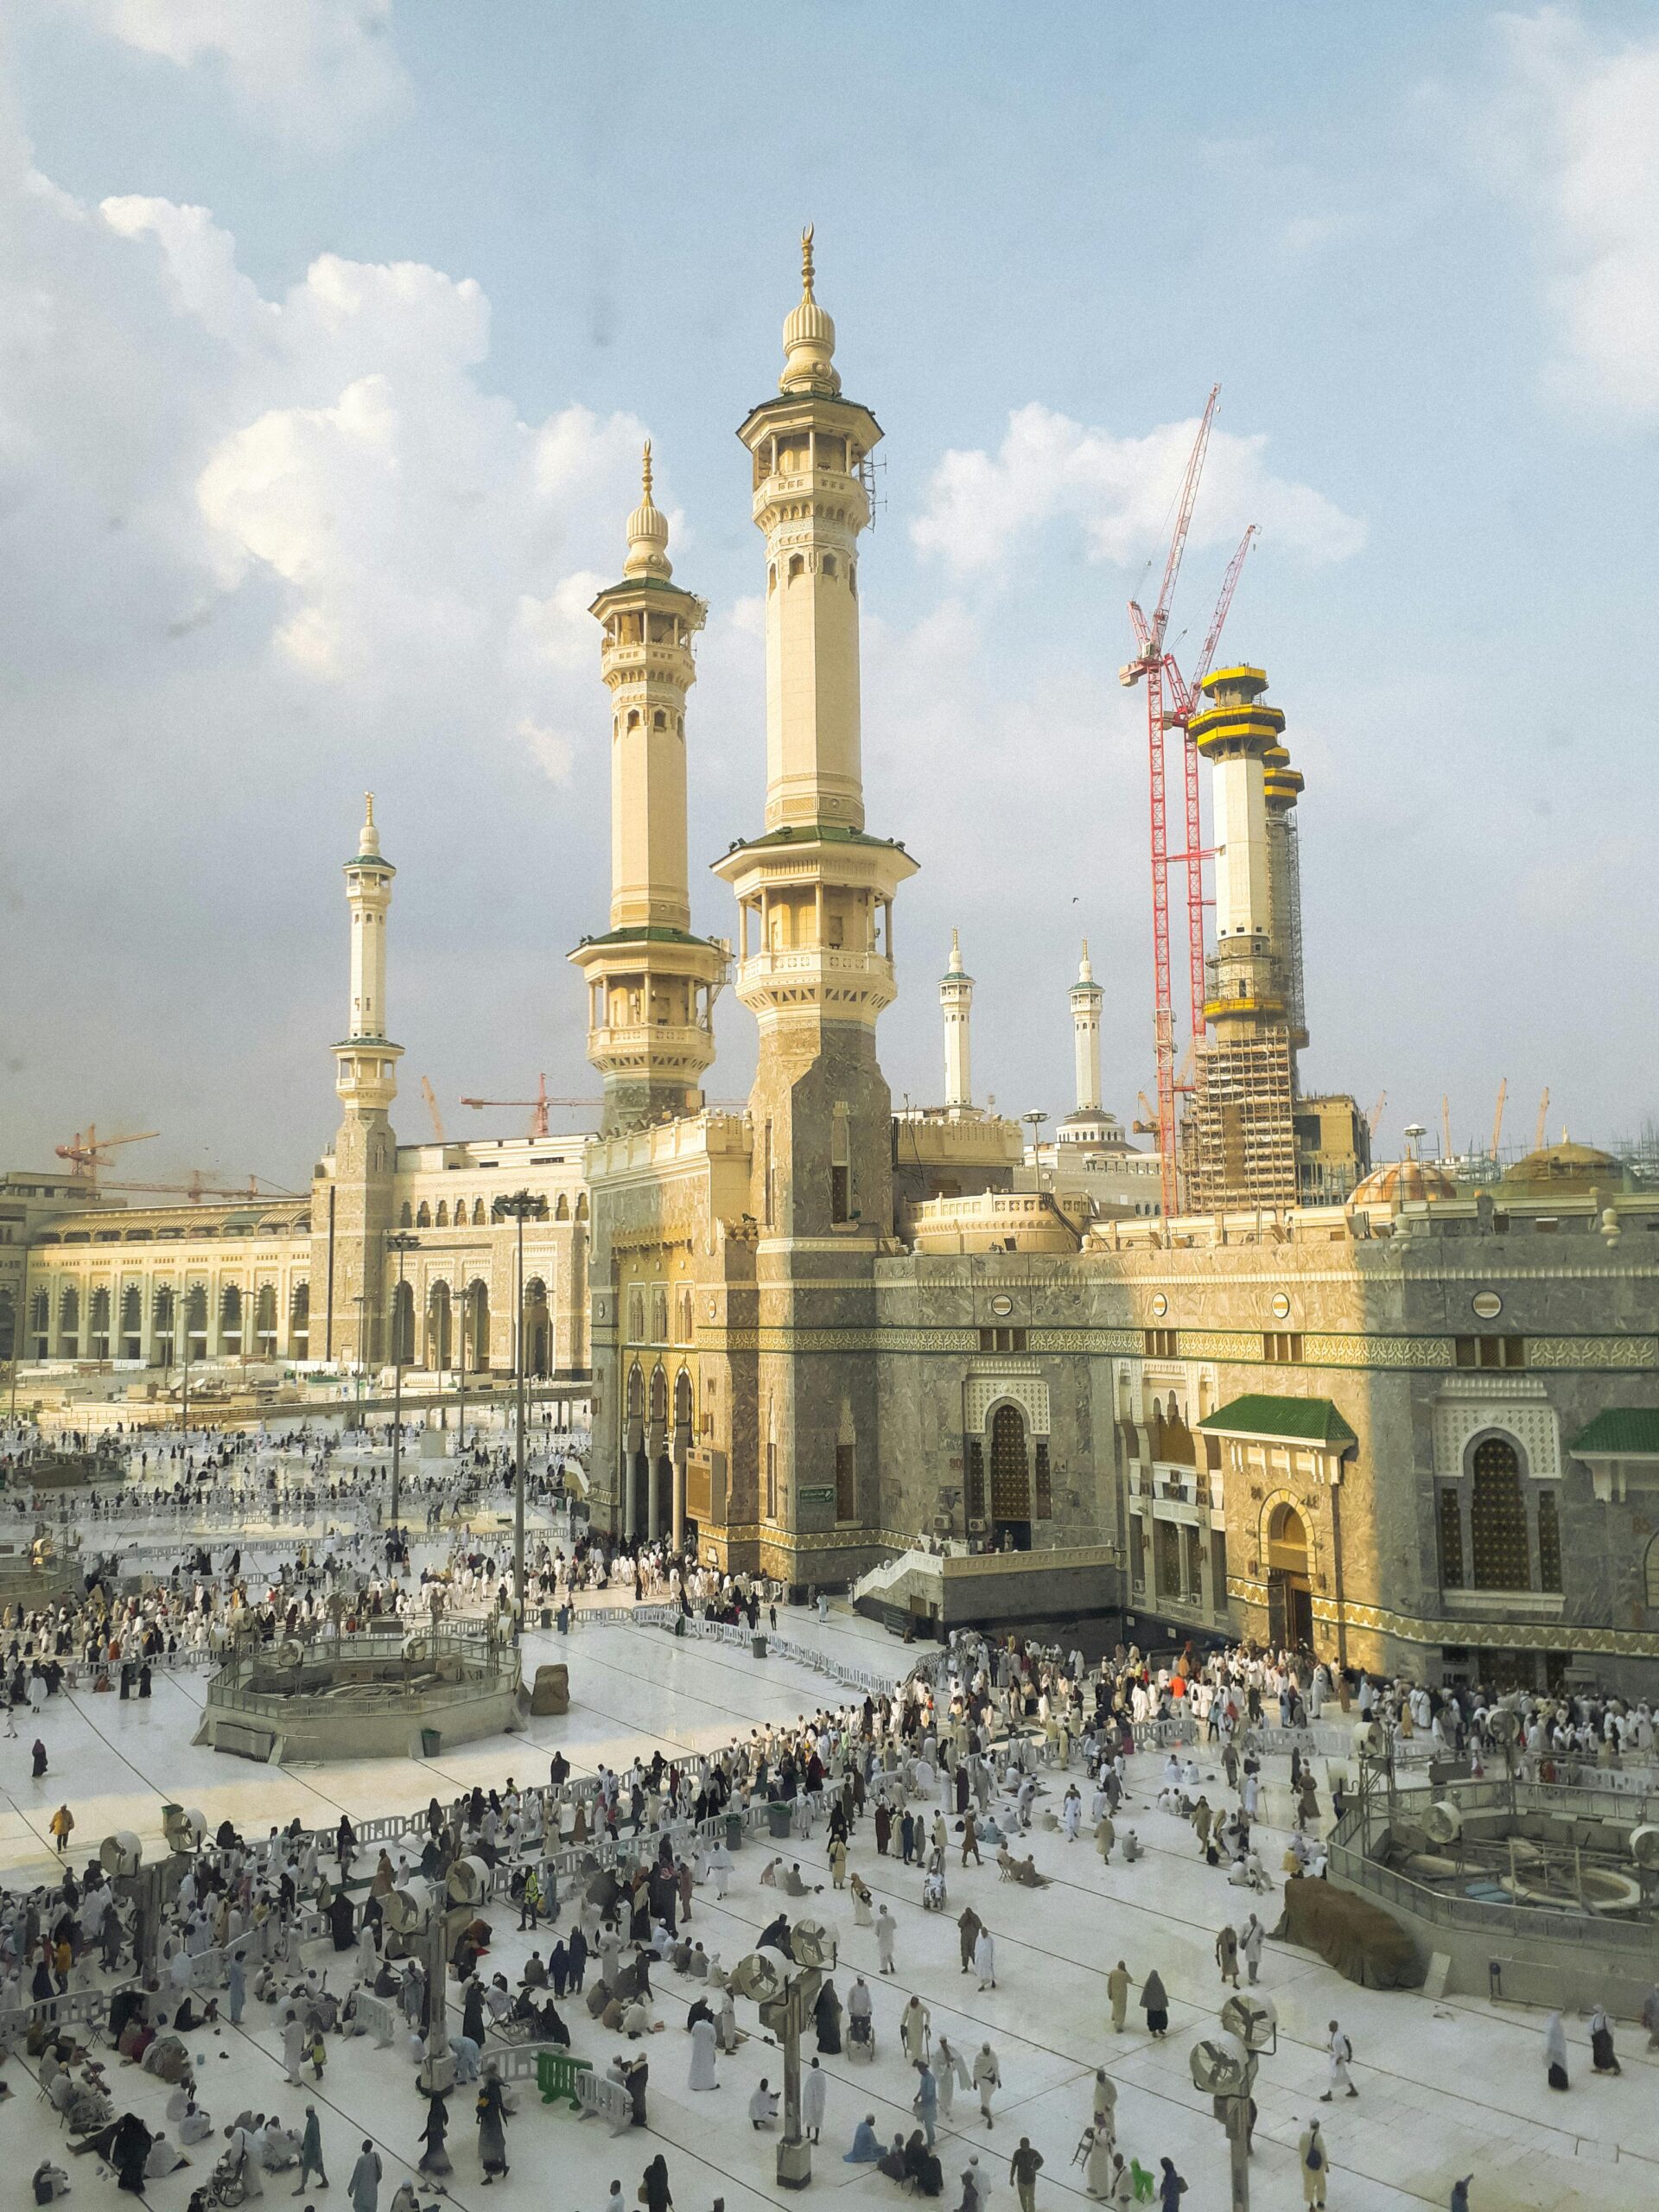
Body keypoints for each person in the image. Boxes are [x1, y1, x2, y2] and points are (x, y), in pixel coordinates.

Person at [475, 2065, 509, 2182]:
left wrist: (479, 2111)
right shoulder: (495, 2089)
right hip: (495, 2120)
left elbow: (482, 2108)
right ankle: (503, 2165)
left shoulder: (488, 2092)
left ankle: (490, 2174)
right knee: (499, 2143)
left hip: (489, 2121)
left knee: (489, 2147)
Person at [1320, 2019, 1357, 2100]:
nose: (1329, 2028)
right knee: (1344, 2075)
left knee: (1334, 2076)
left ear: (1335, 2027)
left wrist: (1339, 2059)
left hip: (1338, 2060)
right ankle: (1353, 2090)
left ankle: (1329, 2095)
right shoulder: (1335, 2034)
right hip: (1337, 2059)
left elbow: (1344, 2050)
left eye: (1331, 2026)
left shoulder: (1338, 2038)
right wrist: (1331, 2047)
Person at [418, 2094, 451, 2178]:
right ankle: (442, 2166)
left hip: (434, 2136)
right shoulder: (441, 2109)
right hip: (436, 2135)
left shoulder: (434, 2113)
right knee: (437, 2150)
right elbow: (445, 2120)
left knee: (435, 2151)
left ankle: (439, 2167)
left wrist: (425, 2135)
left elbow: (430, 2127)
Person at [296, 2107, 327, 2196]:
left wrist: (316, 2151)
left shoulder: (313, 2123)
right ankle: (325, 2180)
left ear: (310, 2112)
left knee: (306, 2168)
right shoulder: (314, 2119)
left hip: (311, 2151)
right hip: (312, 2149)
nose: (305, 2113)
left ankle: (302, 2187)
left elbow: (315, 2137)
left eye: (307, 2112)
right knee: (318, 2166)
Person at [1298, 2120, 1327, 2211]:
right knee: (1320, 2182)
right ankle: (1320, 2201)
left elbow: (1300, 2148)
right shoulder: (1318, 2137)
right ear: (1318, 2126)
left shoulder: (1303, 2135)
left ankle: (1311, 2203)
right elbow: (1323, 2152)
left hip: (1306, 2164)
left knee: (1308, 2183)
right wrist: (1326, 2165)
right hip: (1317, 2165)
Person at [1008, 2137, 1042, 2212]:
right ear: (1020, 2146)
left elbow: (1041, 2160)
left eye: (1026, 2146)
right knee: (1023, 2199)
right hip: (1021, 2181)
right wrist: (1011, 2178)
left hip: (1031, 2180)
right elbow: (1013, 2166)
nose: (1024, 2148)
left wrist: (1035, 2168)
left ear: (1028, 2145)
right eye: (1023, 2146)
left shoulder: (1033, 2153)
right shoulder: (1017, 2153)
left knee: (1031, 2199)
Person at [973, 2043, 1001, 2129]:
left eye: (988, 2049)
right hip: (984, 2081)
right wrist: (975, 2082)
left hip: (992, 2081)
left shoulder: (993, 2055)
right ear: (983, 2049)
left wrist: (998, 2080)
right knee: (986, 2100)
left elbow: (996, 2068)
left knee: (988, 2097)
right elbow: (976, 2069)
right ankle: (990, 2120)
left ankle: (984, 2108)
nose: (987, 2051)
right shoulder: (979, 2057)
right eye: (985, 2050)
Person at [349, 2139, 382, 2212]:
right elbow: (380, 2171)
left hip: (362, 2191)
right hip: (372, 2190)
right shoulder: (376, 2156)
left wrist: (350, 2190)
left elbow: (356, 2176)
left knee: (360, 2207)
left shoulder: (361, 2160)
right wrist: (375, 2182)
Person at [1589, 2002, 1620, 2075]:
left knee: (1607, 2053)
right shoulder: (1595, 2017)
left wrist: (1610, 2037)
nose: (1595, 2012)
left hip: (1604, 2038)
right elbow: (1591, 2026)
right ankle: (1598, 2067)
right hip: (1596, 2037)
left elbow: (1610, 2028)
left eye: (1596, 2011)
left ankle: (1616, 2068)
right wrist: (1591, 2034)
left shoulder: (1605, 2017)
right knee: (1597, 2053)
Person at [688, 2017, 718, 2091]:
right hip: (707, 2049)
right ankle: (708, 2084)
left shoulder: (696, 2024)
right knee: (707, 2066)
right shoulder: (710, 2027)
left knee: (696, 2065)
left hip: (697, 2048)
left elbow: (693, 2033)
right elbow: (714, 2038)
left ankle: (695, 2084)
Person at [804, 2056, 827, 2145]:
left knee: (810, 2117)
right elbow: (823, 2088)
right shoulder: (822, 2075)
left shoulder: (811, 2076)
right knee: (818, 2119)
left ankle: (808, 2135)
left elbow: (808, 2089)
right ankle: (816, 2138)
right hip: (820, 2101)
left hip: (811, 2101)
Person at [1141, 1969, 1169, 2038]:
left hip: (1152, 2007)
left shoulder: (1149, 1983)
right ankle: (1159, 2029)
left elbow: (1145, 1994)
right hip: (1158, 2006)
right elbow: (1162, 1993)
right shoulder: (1159, 1983)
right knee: (1160, 2018)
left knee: (1153, 2019)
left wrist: (1145, 2003)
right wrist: (1164, 2003)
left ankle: (1155, 2031)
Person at [1107, 1961, 1130, 2034]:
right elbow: (1131, 1980)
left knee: (1116, 2006)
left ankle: (1114, 2017)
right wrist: (1126, 1971)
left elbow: (1109, 1983)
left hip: (1114, 1994)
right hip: (1122, 1995)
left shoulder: (1113, 1972)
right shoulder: (1125, 1974)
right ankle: (1119, 2027)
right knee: (1121, 2010)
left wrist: (1109, 1993)